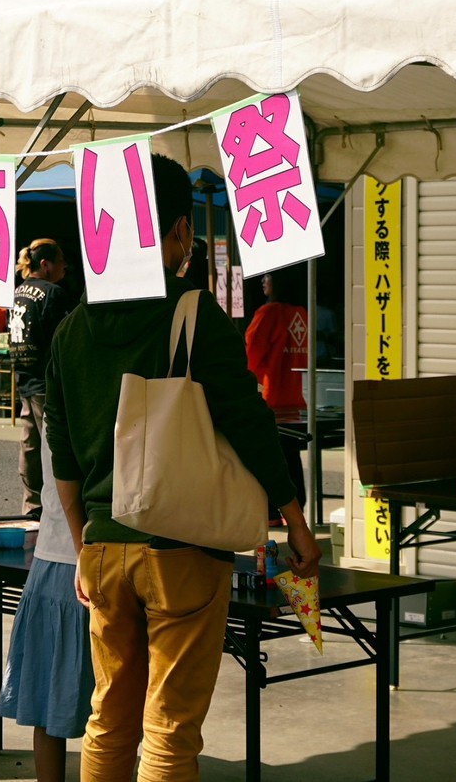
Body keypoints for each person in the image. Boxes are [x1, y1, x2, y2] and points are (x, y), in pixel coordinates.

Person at [46, 153, 321, 782]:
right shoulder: (196, 316)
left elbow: (61, 456)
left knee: (108, 717)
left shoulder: (70, 330)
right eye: (185, 234)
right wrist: (295, 521)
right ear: (172, 233)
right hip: (182, 548)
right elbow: (251, 427)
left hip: (106, 549)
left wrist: (87, 540)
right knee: (169, 727)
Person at [0, 346, 95, 782]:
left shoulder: (55, 415)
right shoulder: (91, 418)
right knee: (110, 707)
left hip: (56, 560)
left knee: (48, 703)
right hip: (77, 563)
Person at [10, 238, 76, 516]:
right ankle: (57, 506)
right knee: (54, 445)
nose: (65, 268)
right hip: (46, 380)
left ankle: (31, 502)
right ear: (46, 265)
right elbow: (64, 338)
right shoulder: (53, 293)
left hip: (24, 377)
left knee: (30, 443)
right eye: (61, 262)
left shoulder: (18, 291)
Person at [245, 269, 312, 515]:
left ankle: (274, 511)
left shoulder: (268, 313)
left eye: (268, 277)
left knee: (269, 459)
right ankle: (297, 507)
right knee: (291, 456)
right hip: (296, 397)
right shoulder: (302, 314)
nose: (264, 280)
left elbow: (250, 357)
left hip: (269, 398)